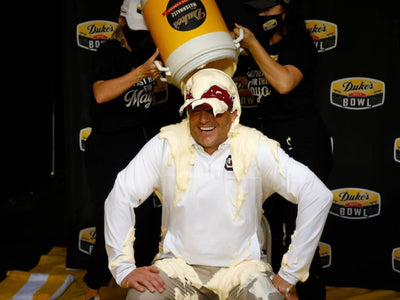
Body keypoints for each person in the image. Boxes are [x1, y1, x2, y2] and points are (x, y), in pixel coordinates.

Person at [103, 68, 333, 300]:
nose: (204, 119)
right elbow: (121, 194)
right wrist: (122, 268)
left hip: (244, 270)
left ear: (233, 114)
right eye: (196, 110)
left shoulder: (254, 145)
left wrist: (290, 272)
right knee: (141, 298)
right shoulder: (167, 142)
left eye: (215, 111)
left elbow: (316, 194)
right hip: (178, 268)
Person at [231, 0, 333, 299]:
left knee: (300, 235)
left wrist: (252, 45)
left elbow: (285, 82)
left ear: (287, 7)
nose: (262, 17)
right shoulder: (253, 45)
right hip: (267, 143)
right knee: (270, 232)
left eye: (268, 11)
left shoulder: (299, 43)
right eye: (258, 12)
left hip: (302, 141)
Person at [82, 0, 181, 299]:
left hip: (143, 147)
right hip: (109, 148)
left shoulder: (154, 48)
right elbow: (100, 93)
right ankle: (92, 289)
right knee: (113, 219)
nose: (143, 35)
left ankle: (140, 287)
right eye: (138, 30)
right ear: (121, 22)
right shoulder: (108, 52)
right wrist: (140, 73)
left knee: (149, 222)